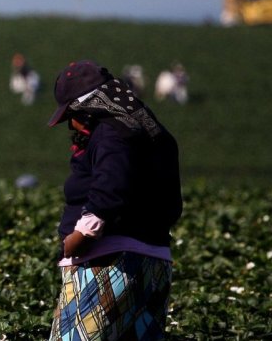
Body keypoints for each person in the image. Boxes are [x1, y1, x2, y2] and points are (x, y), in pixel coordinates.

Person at [46, 60, 182, 341]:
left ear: (87, 107)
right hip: (154, 263)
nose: (71, 122)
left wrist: (77, 238)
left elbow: (110, 189)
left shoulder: (111, 132)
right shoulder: (149, 130)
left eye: (72, 113)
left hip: (107, 266)